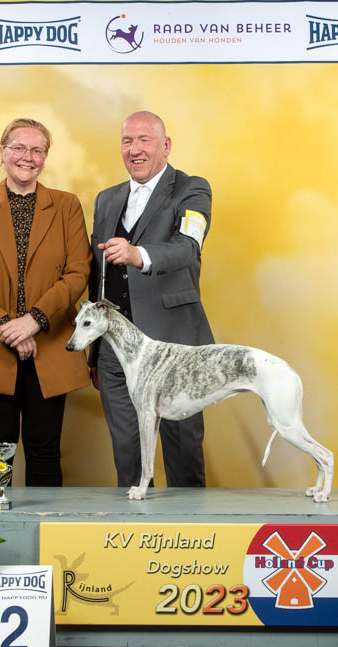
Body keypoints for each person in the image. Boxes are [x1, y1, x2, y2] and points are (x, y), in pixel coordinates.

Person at [0, 118, 92, 494]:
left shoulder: (67, 205)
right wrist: (4, 326)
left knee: (45, 451)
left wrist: (35, 320)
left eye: (37, 150)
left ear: (45, 157)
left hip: (50, 344)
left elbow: (78, 272)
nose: (27, 157)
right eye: (19, 148)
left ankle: (44, 531)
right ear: (2, 152)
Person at [88, 111, 214, 488]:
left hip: (175, 347)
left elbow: (187, 247)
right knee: (128, 456)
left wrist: (137, 254)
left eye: (145, 140)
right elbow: (98, 275)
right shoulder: (106, 199)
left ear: (166, 146)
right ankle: (134, 520)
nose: (135, 149)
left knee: (183, 453)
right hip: (115, 353)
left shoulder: (191, 189)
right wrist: (94, 350)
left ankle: (190, 525)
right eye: (127, 141)